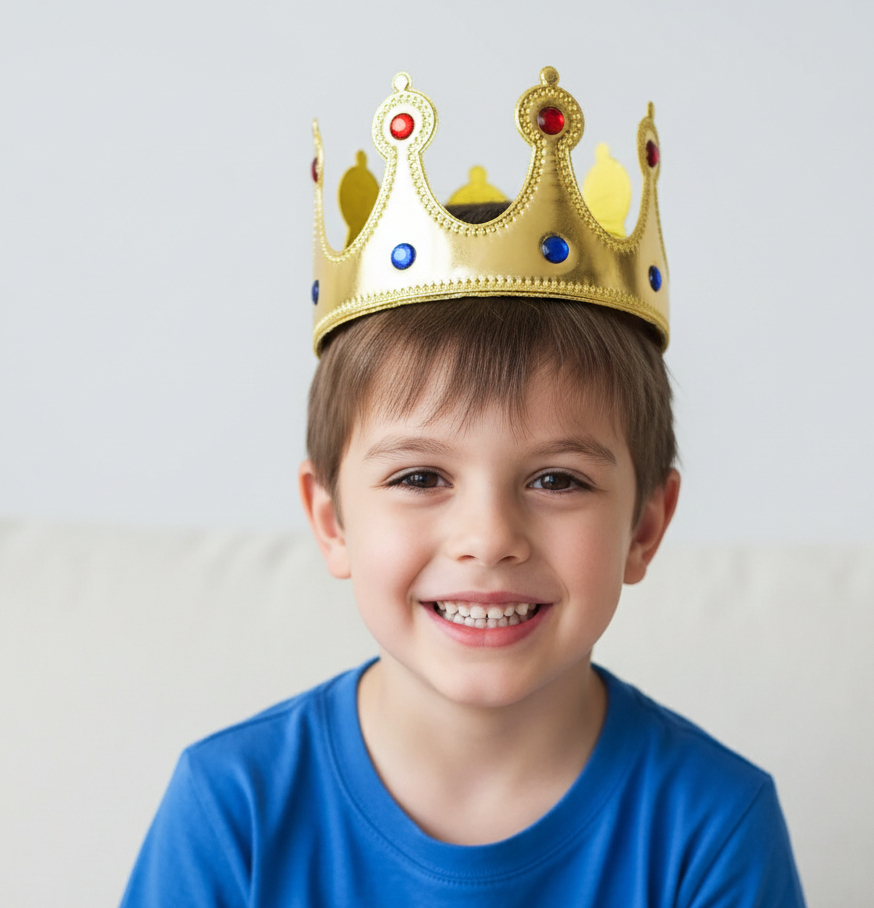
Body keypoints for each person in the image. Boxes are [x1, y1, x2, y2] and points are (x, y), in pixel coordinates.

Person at [120, 67, 806, 906]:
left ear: (645, 529)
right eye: (420, 477)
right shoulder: (234, 809)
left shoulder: (712, 827)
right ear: (331, 520)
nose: (488, 536)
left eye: (556, 478)